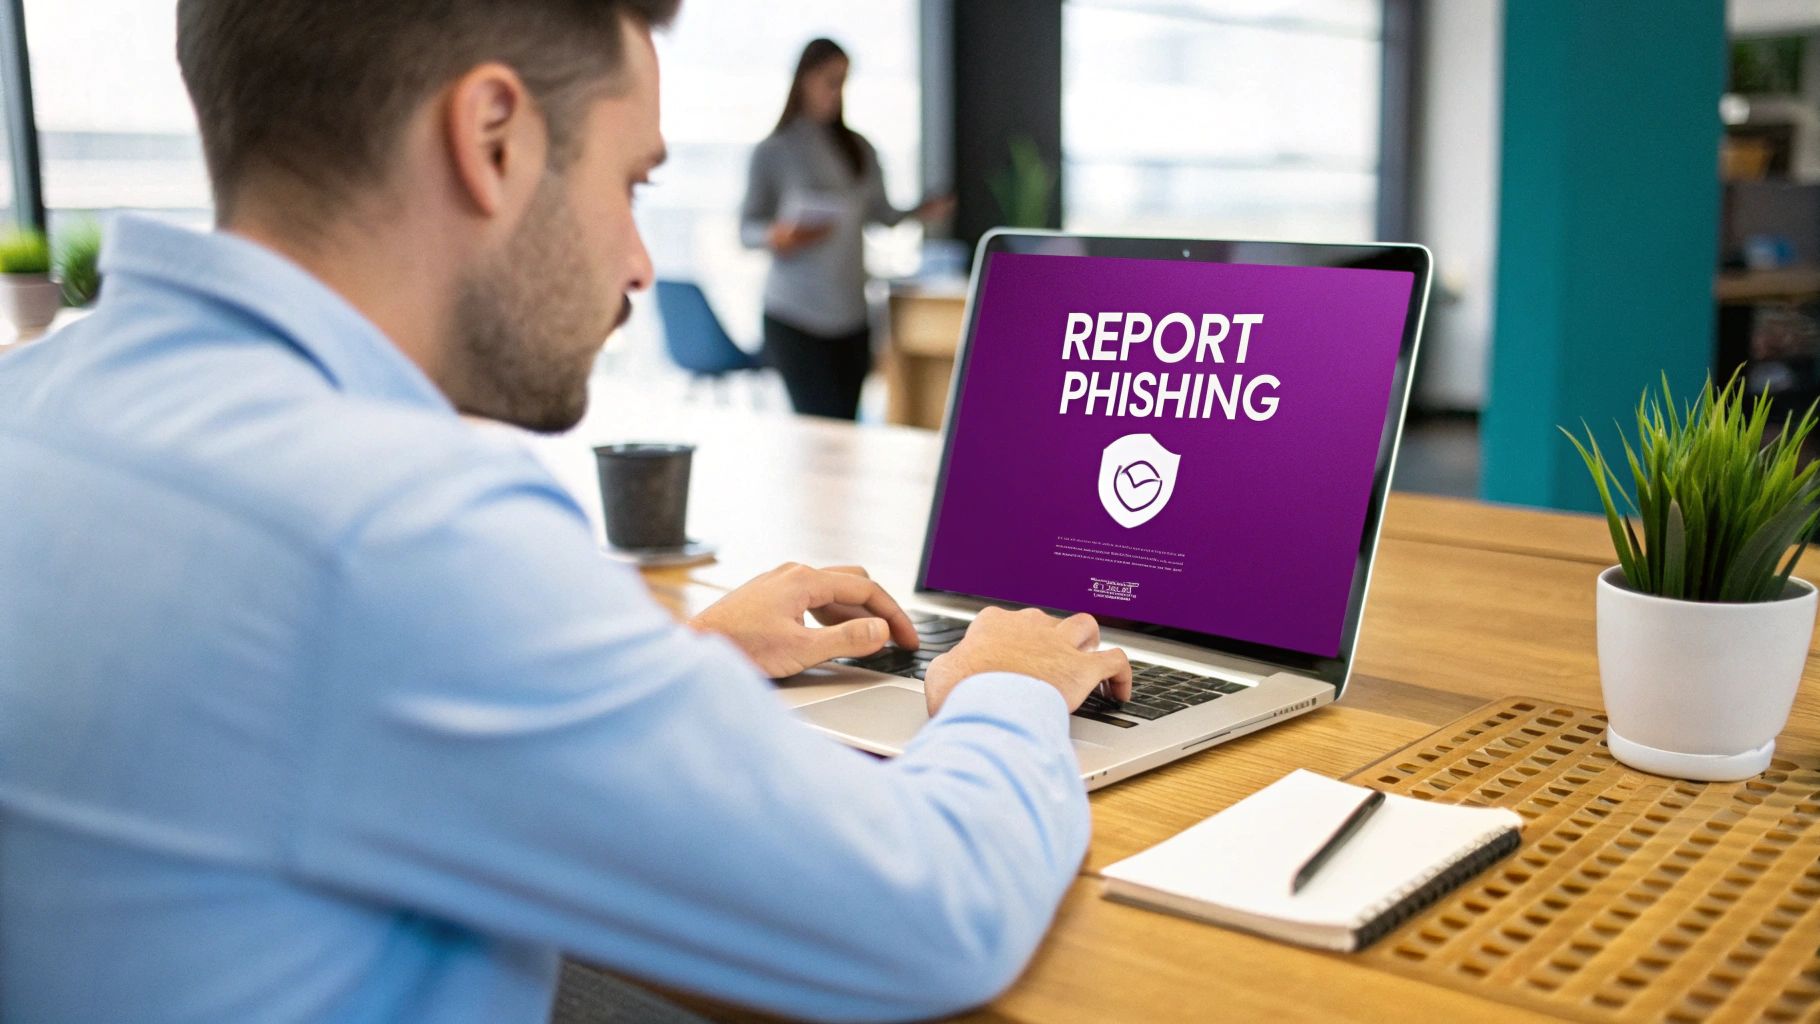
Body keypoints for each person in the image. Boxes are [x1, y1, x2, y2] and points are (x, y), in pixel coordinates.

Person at [0, 2, 1130, 1023]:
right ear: (491, 137)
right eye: (631, 182)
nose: (640, 264)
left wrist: (672, 664)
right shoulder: (398, 528)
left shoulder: (34, 400)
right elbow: (932, 913)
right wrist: (1005, 688)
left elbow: (304, 708)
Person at [740, 38, 951, 420]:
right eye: (829, 80)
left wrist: (923, 211)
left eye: (842, 81)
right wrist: (777, 235)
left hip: (851, 315)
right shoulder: (775, 151)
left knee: (847, 425)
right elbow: (746, 230)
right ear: (804, 80)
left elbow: (882, 216)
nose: (836, 91)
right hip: (796, 315)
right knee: (820, 431)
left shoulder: (859, 149)